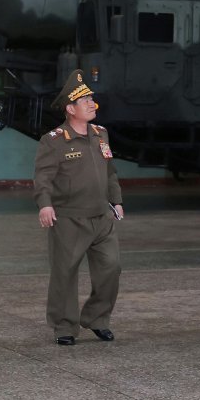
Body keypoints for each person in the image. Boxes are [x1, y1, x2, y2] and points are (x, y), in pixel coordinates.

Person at [33, 69, 123, 346]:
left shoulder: (101, 134)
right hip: (69, 220)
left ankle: (97, 318)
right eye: (84, 100)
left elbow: (110, 172)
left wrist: (116, 200)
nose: (91, 103)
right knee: (65, 274)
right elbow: (43, 178)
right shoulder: (54, 140)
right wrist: (45, 205)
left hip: (102, 217)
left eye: (91, 99)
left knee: (112, 267)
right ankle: (64, 326)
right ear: (70, 108)